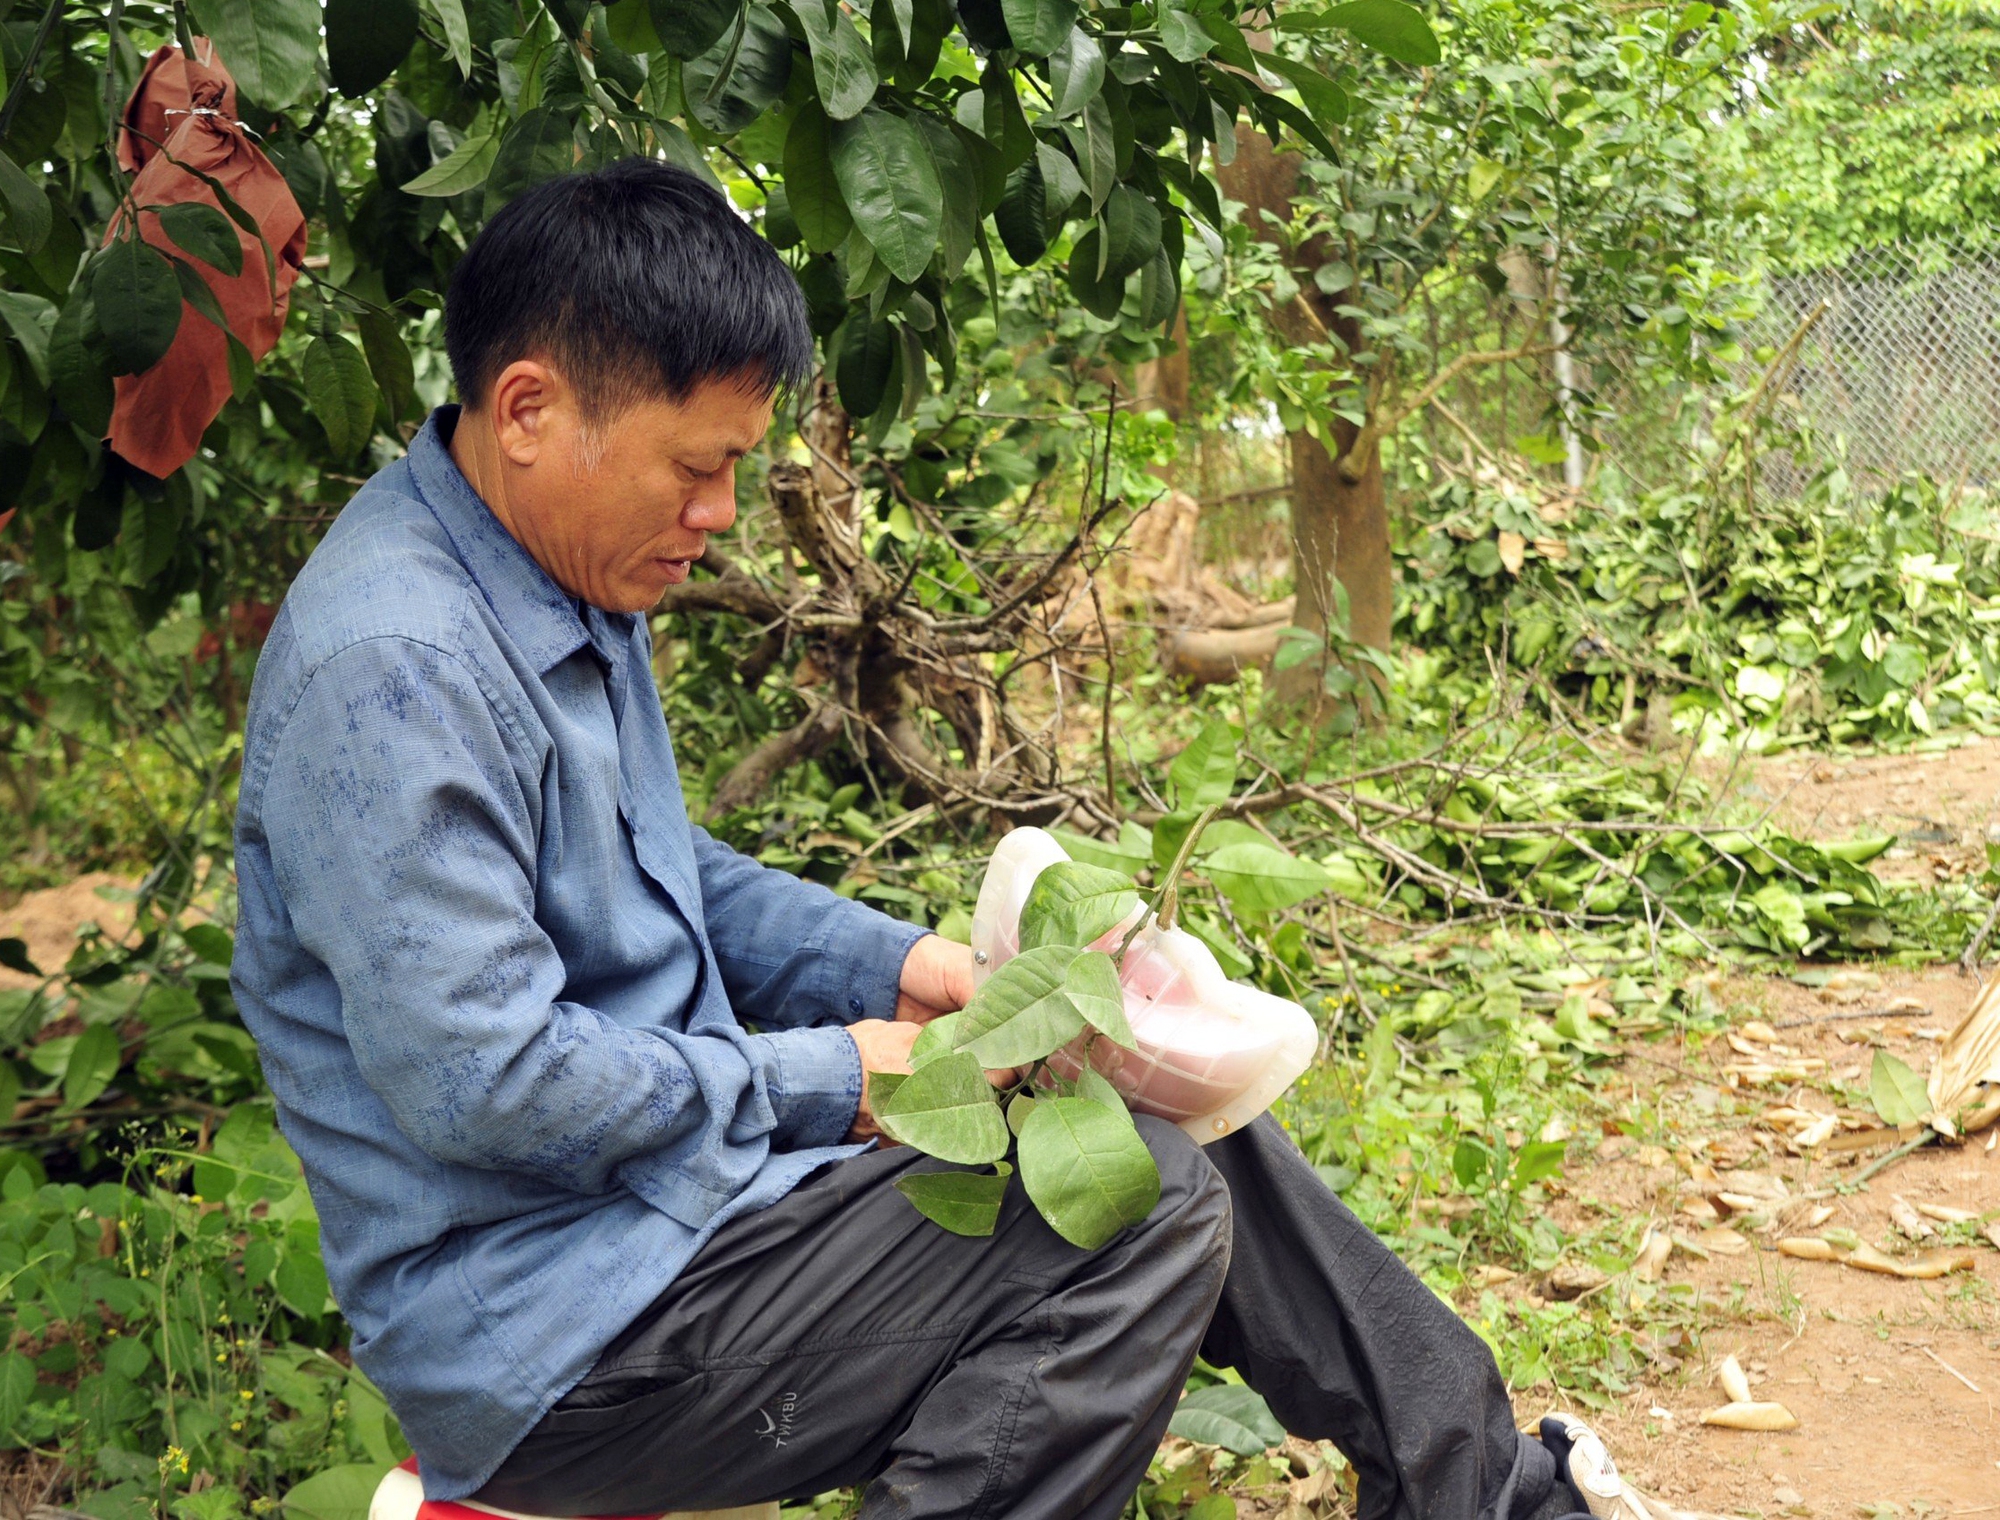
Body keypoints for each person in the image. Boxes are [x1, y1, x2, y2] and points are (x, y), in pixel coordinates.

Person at [231, 158, 1710, 1520]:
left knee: (1146, 1106)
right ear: (533, 410)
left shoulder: (555, 569)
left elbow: (670, 874)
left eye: (738, 466)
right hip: (556, 1334)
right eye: (695, 467)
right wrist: (840, 1078)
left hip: (681, 1223)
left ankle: (1494, 1495)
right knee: (1133, 1221)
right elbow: (486, 1084)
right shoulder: (397, 666)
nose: (722, 511)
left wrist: (912, 965)